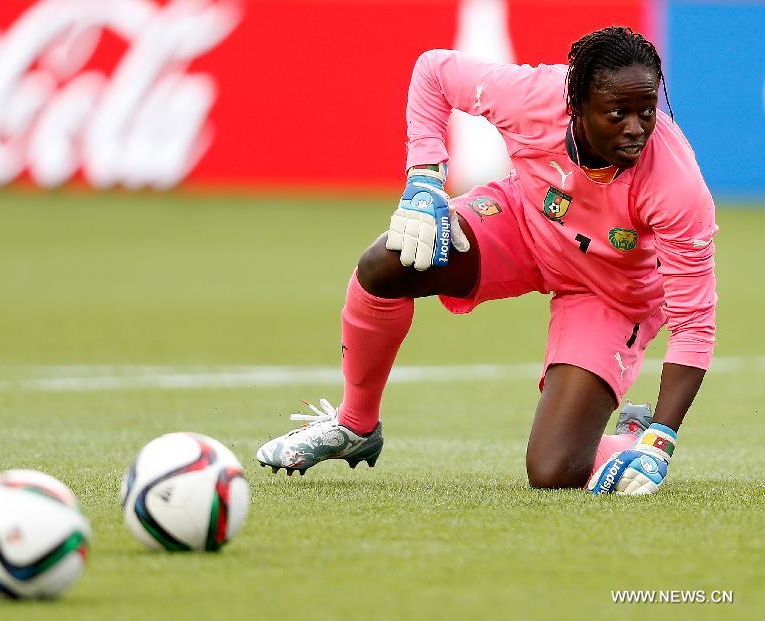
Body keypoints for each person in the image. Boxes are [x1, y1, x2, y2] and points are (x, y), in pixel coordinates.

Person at [256, 26, 716, 495]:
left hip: (612, 293)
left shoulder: (677, 187)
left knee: (554, 472)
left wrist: (660, 441)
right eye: (618, 113)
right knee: (387, 261)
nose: (636, 128)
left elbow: (695, 324)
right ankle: (355, 425)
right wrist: (424, 178)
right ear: (574, 106)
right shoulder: (533, 96)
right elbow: (432, 72)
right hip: (524, 223)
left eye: (646, 111)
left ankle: (632, 437)